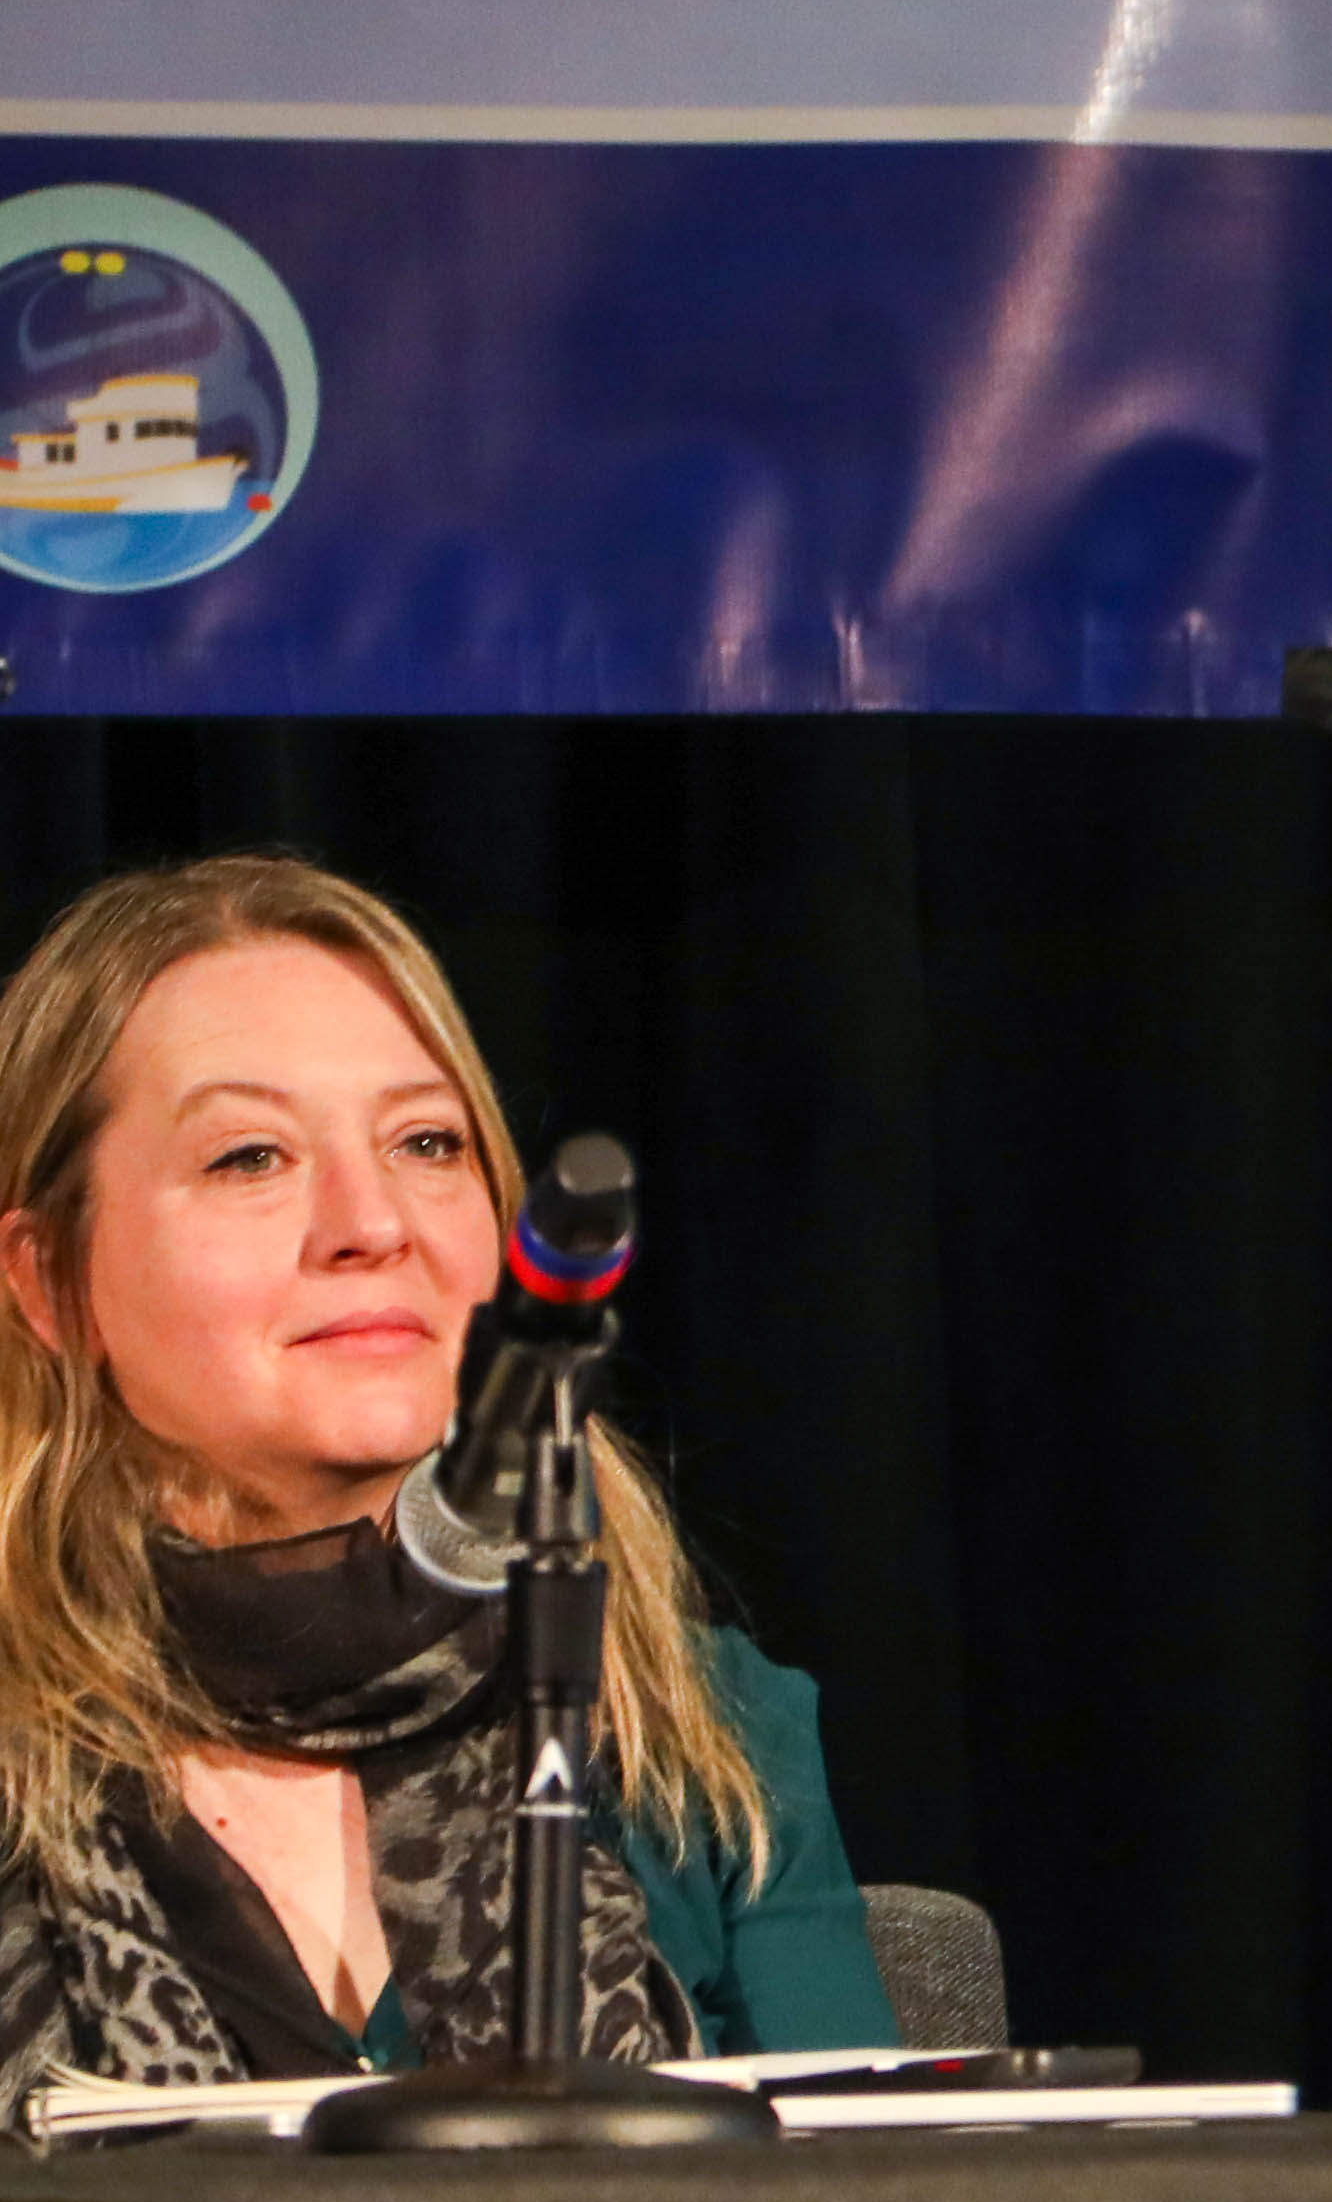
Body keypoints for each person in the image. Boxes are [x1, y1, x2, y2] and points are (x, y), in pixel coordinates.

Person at [0, 853, 894, 2111]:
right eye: (251, 1155)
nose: (372, 1219)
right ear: (48, 1281)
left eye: (427, 1140)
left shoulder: (698, 1724)